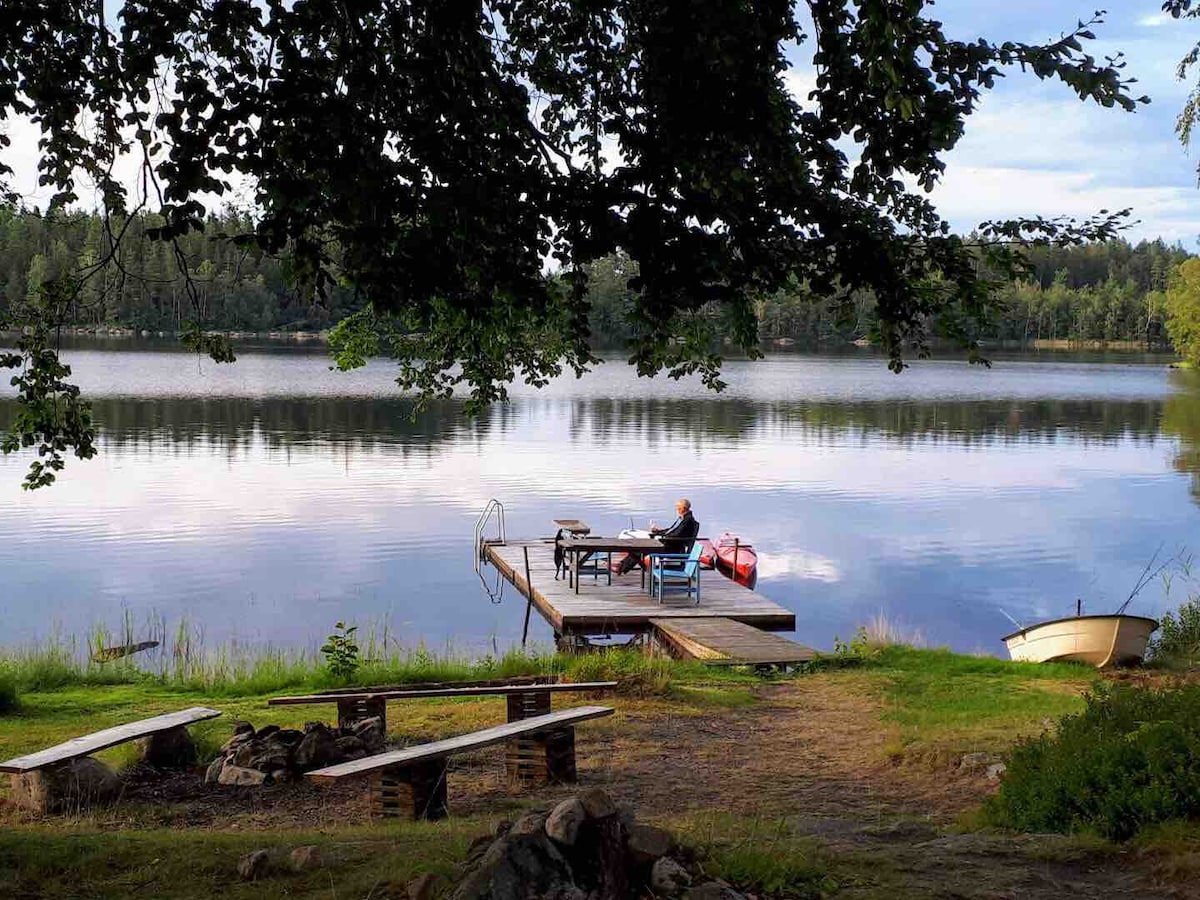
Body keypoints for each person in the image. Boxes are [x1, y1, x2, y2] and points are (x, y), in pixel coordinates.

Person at [615, 499, 699, 574]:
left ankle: (622, 567)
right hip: (671, 544)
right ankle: (622, 566)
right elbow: (671, 530)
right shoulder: (684, 518)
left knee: (643, 549)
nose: (677, 509)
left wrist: (662, 538)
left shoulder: (687, 521)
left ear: (683, 508)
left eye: (678, 507)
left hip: (673, 548)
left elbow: (676, 534)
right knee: (642, 548)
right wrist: (658, 532)